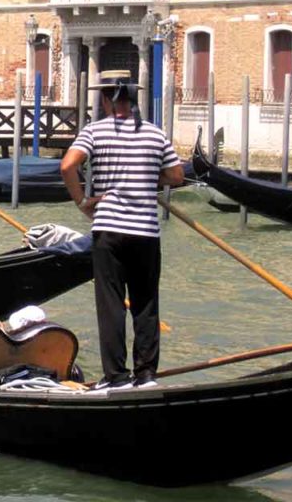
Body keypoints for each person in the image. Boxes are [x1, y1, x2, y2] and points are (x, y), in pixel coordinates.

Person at [60, 69, 183, 389]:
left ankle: (116, 377)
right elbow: (177, 177)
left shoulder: (94, 131)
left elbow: (67, 166)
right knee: (146, 304)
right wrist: (147, 180)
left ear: (104, 98)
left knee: (112, 304)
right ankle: (146, 375)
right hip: (145, 231)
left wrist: (83, 201)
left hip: (109, 229)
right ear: (132, 97)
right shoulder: (155, 134)